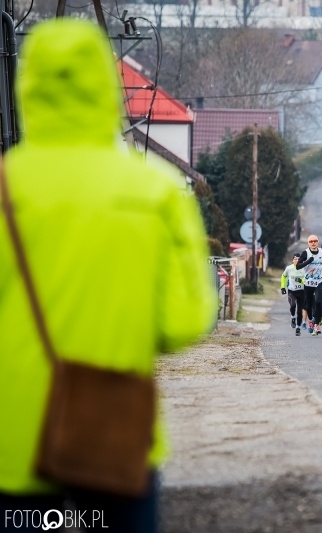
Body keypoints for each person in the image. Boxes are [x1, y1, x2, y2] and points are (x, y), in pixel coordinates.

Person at [0, 18, 215, 533]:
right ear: (106, 83)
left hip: (12, 438)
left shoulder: (7, 189)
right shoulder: (156, 192)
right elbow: (184, 321)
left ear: (26, 86)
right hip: (112, 432)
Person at [296, 234, 322, 336]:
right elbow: (298, 266)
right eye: (311, 241)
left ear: (318, 242)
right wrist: (308, 261)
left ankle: (316, 324)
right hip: (308, 282)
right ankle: (311, 320)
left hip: (319, 281)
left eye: (315, 241)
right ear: (308, 243)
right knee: (309, 305)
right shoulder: (305, 253)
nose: (313, 243)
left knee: (318, 301)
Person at [280, 253, 305, 335]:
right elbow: (283, 276)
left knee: (300, 311)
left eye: (298, 259)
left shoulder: (304, 268)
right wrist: (283, 287)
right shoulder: (289, 268)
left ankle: (298, 328)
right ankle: (293, 317)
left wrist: (300, 281)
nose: (297, 260)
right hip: (292, 291)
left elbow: (307, 280)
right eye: (295, 259)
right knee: (293, 305)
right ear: (293, 260)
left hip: (302, 292)